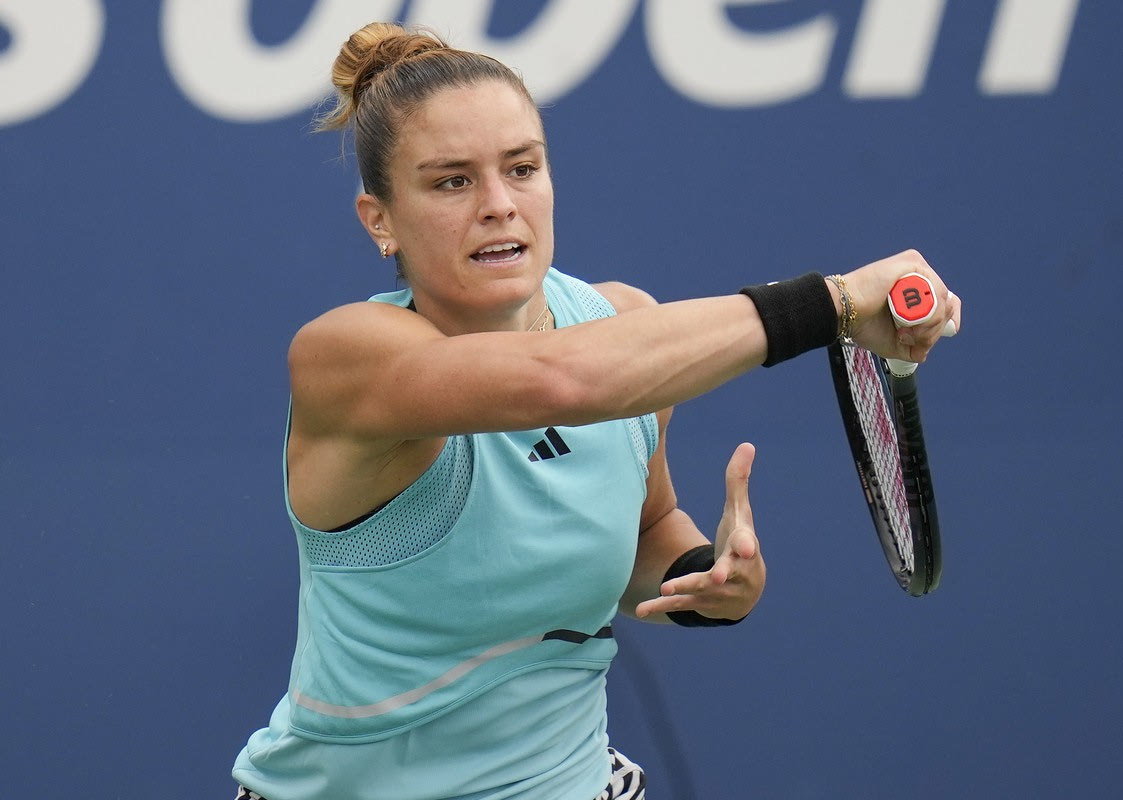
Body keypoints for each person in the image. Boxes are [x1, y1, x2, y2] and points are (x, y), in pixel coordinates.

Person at [231, 21, 961, 800]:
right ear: (380, 219)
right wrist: (834, 302)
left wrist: (703, 578)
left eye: (522, 168)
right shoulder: (346, 359)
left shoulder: (619, 325)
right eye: (452, 182)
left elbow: (647, 526)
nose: (499, 205)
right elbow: (560, 382)